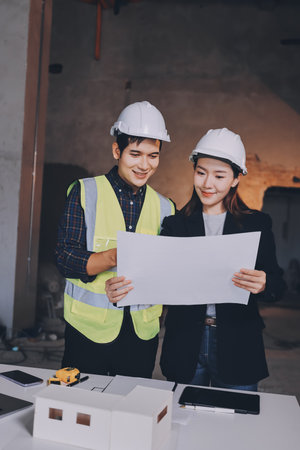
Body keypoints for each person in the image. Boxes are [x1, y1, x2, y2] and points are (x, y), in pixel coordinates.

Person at [159, 128, 286, 391]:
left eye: (219, 176)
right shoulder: (175, 226)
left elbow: (277, 285)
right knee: (182, 425)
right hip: (185, 342)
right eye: (201, 172)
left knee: (235, 427)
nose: (208, 184)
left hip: (237, 342)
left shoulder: (256, 224)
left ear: (236, 179)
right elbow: (162, 281)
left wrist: (263, 284)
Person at [55, 101, 175, 377]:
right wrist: (113, 257)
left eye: (153, 155)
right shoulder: (85, 192)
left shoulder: (166, 207)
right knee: (78, 408)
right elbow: (64, 257)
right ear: (116, 151)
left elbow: (167, 272)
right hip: (87, 330)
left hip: (141, 335)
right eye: (135, 154)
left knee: (130, 412)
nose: (144, 165)